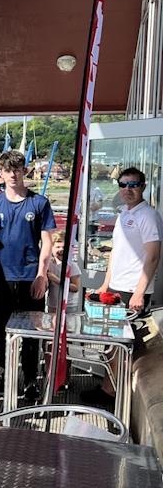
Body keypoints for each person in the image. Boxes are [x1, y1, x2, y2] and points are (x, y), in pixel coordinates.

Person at [82, 167, 163, 405]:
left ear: (143, 187)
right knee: (112, 342)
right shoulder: (124, 214)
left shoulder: (147, 215)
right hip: (117, 287)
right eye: (124, 184)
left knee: (123, 344)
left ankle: (113, 394)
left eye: (133, 185)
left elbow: (153, 256)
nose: (128, 189)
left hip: (132, 289)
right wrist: (105, 284)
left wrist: (139, 292)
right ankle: (109, 388)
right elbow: (116, 253)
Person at [0, 150, 55, 401]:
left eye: (17, 169)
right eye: (8, 170)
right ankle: (7, 374)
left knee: (31, 331)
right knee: (1, 330)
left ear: (25, 171)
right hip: (1, 276)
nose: (13, 174)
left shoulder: (39, 203)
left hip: (30, 276)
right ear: (1, 173)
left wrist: (42, 274)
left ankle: (30, 379)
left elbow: (47, 242)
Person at [47, 230, 82, 313]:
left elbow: (76, 288)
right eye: (58, 247)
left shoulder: (72, 265)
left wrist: (56, 280)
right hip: (53, 304)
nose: (61, 250)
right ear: (51, 248)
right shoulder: (49, 264)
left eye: (64, 247)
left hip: (69, 305)